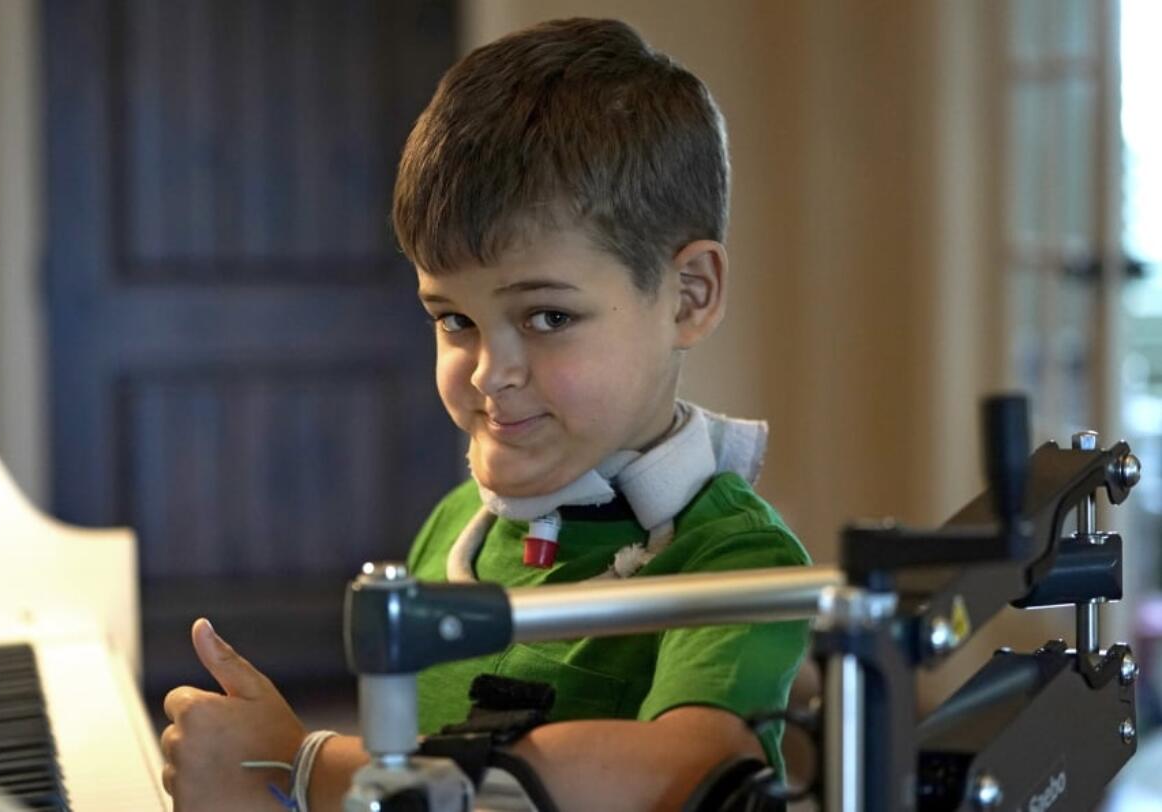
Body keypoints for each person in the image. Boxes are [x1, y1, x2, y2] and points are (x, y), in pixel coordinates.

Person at [160, 17, 811, 812]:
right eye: (453, 320)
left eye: (546, 318)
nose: (487, 373)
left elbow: (682, 773)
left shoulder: (736, 559)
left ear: (690, 294)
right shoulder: (456, 526)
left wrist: (308, 768)